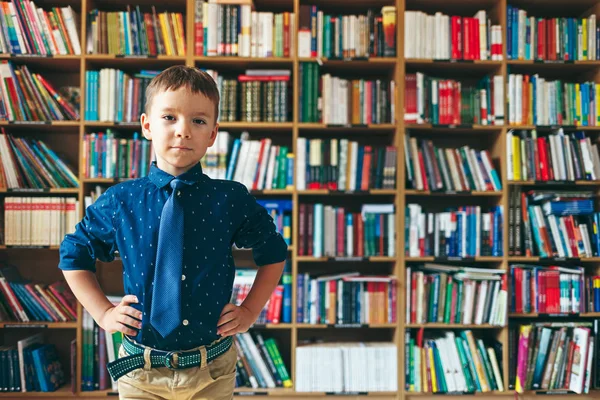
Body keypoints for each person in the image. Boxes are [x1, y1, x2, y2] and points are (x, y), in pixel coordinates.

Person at [59, 65, 288, 399]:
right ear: (147, 125)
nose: (184, 131)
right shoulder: (121, 200)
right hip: (140, 368)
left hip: (213, 367)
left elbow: (274, 252)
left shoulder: (231, 198)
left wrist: (251, 310)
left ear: (212, 134)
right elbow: (72, 255)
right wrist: (103, 313)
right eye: (169, 117)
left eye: (198, 121)